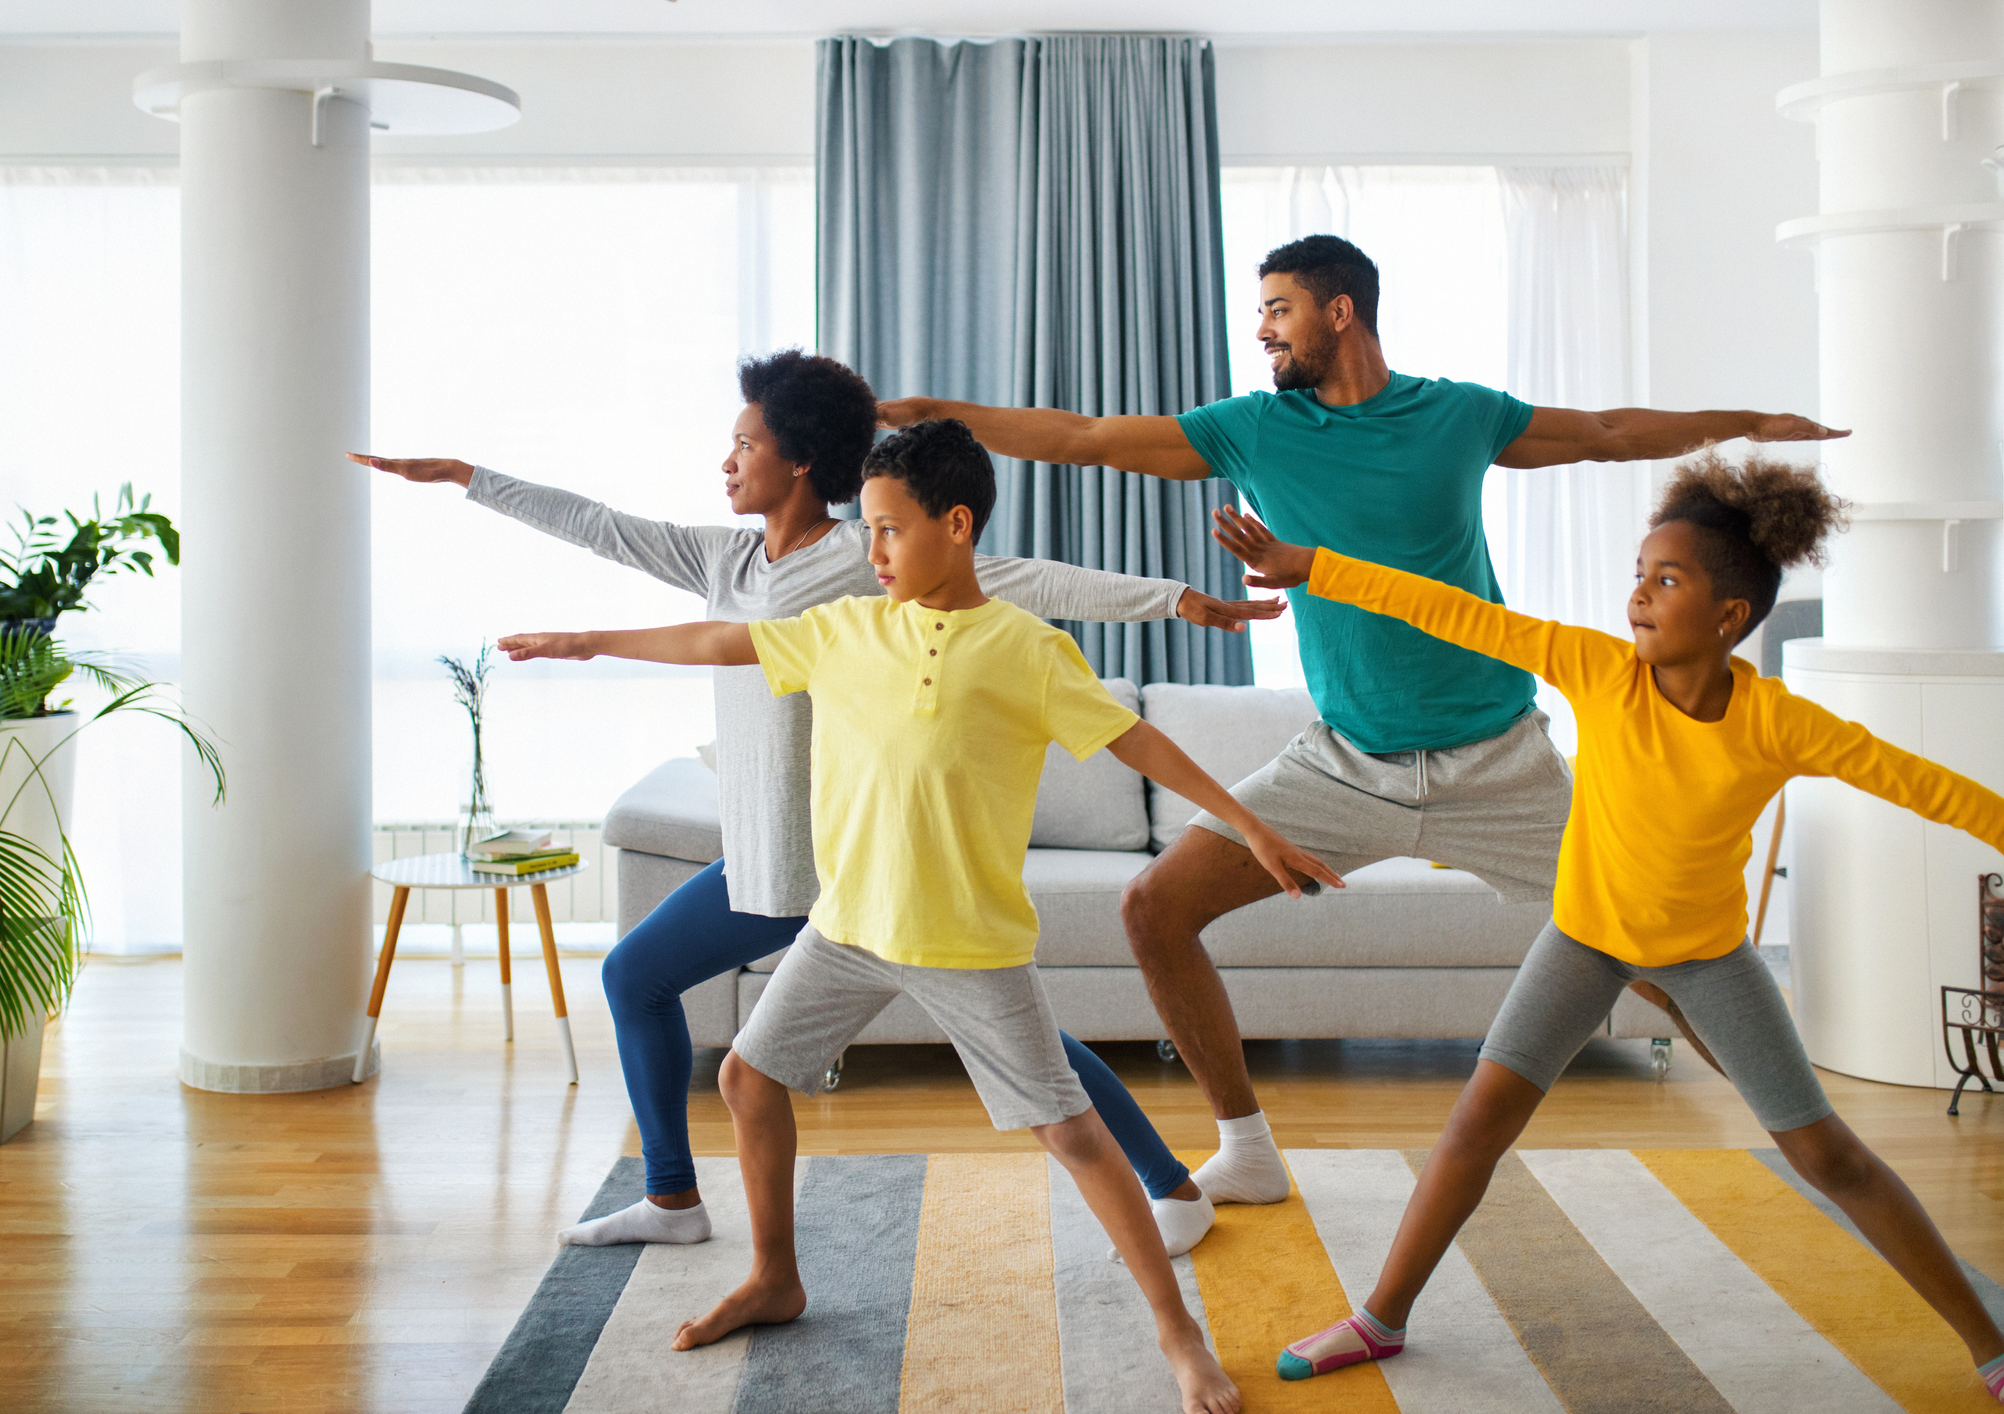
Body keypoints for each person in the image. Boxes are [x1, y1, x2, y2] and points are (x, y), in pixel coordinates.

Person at [876, 234, 1851, 1209]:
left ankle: (1818, 1151)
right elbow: (1086, 437)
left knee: (1663, 960)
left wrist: (1751, 422)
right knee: (1154, 908)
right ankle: (1246, 1146)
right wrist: (938, 416)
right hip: (1343, 764)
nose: (1261, 330)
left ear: (1340, 310)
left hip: (1502, 765)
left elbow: (1603, 428)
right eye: (1259, 312)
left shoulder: (1456, 415)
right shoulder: (1253, 427)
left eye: (1278, 308)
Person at [350, 350, 1283, 1256]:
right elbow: (595, 522)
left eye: (745, 444)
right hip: (761, 850)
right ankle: (1161, 1182)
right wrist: (469, 477)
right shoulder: (721, 559)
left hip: (827, 859)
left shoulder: (862, 555)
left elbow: (1021, 577)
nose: (726, 461)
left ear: (799, 459)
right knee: (999, 1028)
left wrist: (1171, 600)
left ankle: (678, 1194)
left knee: (647, 979)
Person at [500, 419, 1348, 1414]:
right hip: (849, 924)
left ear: (956, 524)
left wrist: (1249, 827)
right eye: (866, 530)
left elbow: (1140, 748)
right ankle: (777, 1274)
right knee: (747, 1076)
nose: (873, 552)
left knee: (1071, 1136)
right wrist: (588, 640)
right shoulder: (847, 629)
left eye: (892, 531)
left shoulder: (1026, 650)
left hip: (966, 944)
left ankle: (1177, 1330)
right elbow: (716, 636)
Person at [1208, 451, 2004, 1401]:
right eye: (1636, 573)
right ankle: (1379, 1318)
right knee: (1475, 1124)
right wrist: (1319, 568)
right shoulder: (1599, 672)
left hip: (1705, 961)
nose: (1637, 595)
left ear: (1728, 617)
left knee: (1824, 1152)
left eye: (1665, 579)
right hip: (1582, 939)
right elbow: (1456, 612)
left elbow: (1919, 782)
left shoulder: (1779, 723)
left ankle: (1990, 1348)